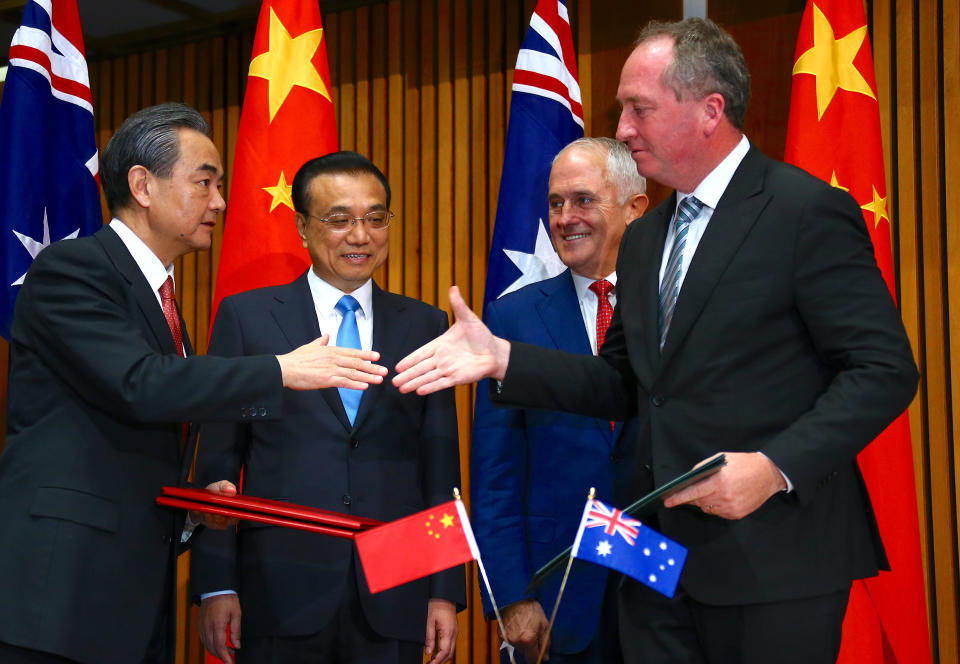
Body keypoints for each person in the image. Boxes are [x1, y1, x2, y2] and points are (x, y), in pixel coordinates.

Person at [393, 18, 919, 664]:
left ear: (710, 110)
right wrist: (506, 359)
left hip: (774, 563)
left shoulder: (803, 212)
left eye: (639, 109)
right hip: (655, 573)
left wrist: (774, 467)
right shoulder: (646, 236)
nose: (623, 129)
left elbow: (885, 368)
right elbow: (623, 383)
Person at [0, 104, 387, 664]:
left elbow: (128, 434)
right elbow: (139, 383)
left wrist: (191, 509)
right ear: (143, 185)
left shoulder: (161, 296)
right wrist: (281, 369)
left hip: (126, 602)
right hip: (57, 599)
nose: (221, 202)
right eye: (204, 182)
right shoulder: (74, 269)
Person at [190, 151, 465, 664]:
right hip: (277, 588)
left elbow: (439, 464)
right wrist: (215, 583)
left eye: (375, 218)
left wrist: (443, 589)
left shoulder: (424, 326)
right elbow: (219, 464)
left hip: (396, 587)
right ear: (301, 226)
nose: (360, 235)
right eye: (339, 220)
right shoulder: (247, 319)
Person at [471, 137, 647, 663]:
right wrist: (512, 595)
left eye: (584, 200)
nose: (565, 217)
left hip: (664, 587)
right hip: (557, 593)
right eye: (555, 203)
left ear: (635, 207)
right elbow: (494, 473)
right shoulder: (511, 322)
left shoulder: (673, 308)